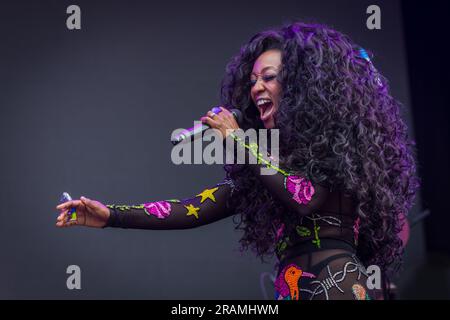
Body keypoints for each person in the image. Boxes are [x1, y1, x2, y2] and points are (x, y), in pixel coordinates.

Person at [56, 22, 419, 300]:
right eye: (252, 81)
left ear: (303, 85)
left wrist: (238, 139)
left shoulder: (337, 150)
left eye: (269, 78)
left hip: (338, 287)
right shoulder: (267, 160)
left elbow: (306, 197)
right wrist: (112, 216)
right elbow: (192, 209)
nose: (256, 88)